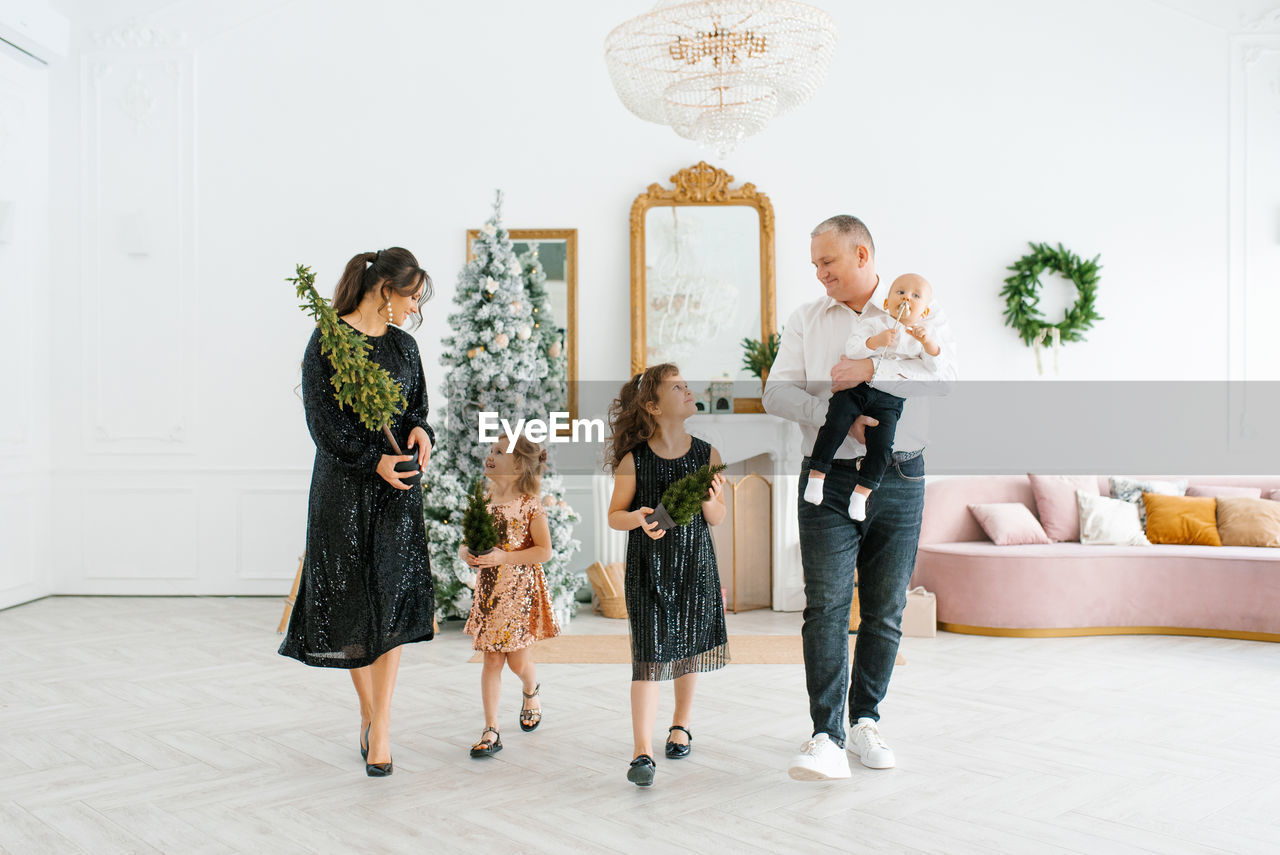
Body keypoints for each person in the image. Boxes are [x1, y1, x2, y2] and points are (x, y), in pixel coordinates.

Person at [763, 217, 957, 780]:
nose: (820, 274)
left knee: (886, 610)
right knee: (824, 605)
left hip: (903, 477)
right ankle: (826, 734)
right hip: (827, 476)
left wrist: (872, 367)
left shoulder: (917, 306)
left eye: (829, 263)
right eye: (816, 265)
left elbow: (944, 376)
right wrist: (837, 422)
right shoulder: (807, 319)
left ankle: (866, 720)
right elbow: (776, 390)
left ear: (863, 255)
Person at [279, 247, 436, 778]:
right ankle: (369, 713)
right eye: (413, 297)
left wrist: (421, 432)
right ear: (387, 289)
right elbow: (322, 426)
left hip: (398, 494)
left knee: (390, 601)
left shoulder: (405, 348)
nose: (415, 309)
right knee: (351, 605)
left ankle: (383, 727)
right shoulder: (327, 341)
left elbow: (416, 408)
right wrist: (375, 462)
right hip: (343, 493)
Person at [605, 363, 729, 788]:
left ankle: (680, 724)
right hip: (647, 568)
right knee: (649, 655)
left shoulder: (707, 454)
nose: (687, 389)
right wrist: (637, 518)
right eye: (677, 387)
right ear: (655, 406)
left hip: (695, 563)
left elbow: (717, 516)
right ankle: (641, 750)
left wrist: (712, 500)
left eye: (686, 384)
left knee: (688, 645)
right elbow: (614, 516)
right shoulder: (633, 461)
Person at [804, 273, 942, 520]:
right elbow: (852, 348)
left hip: (890, 399)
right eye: (900, 292)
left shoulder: (923, 336)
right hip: (856, 389)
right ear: (887, 303)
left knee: (881, 447)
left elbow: (935, 369)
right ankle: (817, 475)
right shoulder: (874, 323)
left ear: (924, 311)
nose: (906, 298)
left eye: (915, 296)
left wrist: (928, 343)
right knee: (835, 422)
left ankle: (862, 492)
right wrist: (875, 341)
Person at [460, 436, 559, 759]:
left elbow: (544, 551)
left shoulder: (530, 503)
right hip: (490, 592)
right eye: (490, 451)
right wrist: (466, 553)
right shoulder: (482, 502)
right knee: (491, 660)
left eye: (499, 453)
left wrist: (504, 558)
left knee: (517, 660)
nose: (491, 455)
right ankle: (491, 729)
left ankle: (531, 690)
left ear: (518, 465)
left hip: (519, 591)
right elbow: (466, 542)